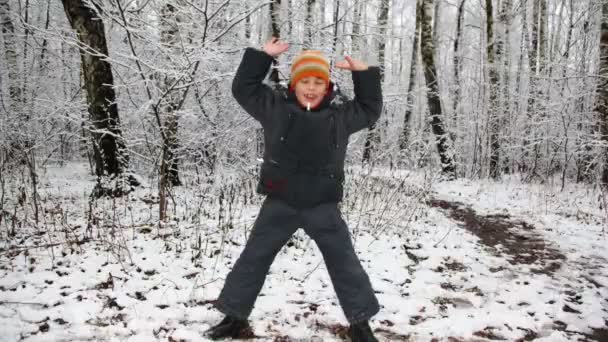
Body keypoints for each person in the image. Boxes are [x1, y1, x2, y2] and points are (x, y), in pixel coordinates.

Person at [205, 37, 382, 342]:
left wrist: (363, 74)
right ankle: (234, 317)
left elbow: (369, 109)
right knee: (254, 257)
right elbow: (243, 89)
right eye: (305, 81)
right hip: (280, 201)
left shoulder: (340, 116)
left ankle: (360, 324)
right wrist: (261, 57)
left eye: (318, 82)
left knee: (345, 263)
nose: (311, 87)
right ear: (293, 84)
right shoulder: (274, 108)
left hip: (322, 205)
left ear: (327, 87)